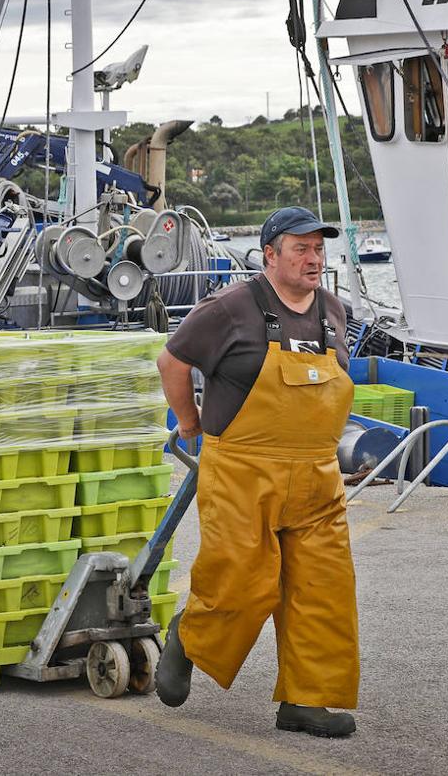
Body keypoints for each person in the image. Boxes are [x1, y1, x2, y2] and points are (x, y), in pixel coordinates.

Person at [154, 206, 360, 738]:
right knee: (240, 584)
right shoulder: (228, 309)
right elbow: (171, 362)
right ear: (270, 255)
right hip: (243, 471)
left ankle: (306, 701)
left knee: (322, 592)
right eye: (301, 249)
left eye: (318, 249)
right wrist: (189, 421)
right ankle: (188, 637)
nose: (314, 259)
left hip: (316, 478)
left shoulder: (334, 311)